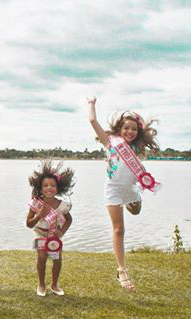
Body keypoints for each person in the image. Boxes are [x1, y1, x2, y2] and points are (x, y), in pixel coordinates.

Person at [87, 96, 159, 290]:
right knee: (119, 229)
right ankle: (121, 270)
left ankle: (132, 204)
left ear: (138, 132)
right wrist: (92, 104)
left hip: (132, 190)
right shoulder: (111, 144)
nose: (129, 131)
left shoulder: (136, 150)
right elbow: (93, 121)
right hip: (113, 191)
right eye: (126, 128)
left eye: (134, 129)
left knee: (136, 211)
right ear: (119, 130)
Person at [26, 160, 74, 296]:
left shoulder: (62, 205)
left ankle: (54, 284)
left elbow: (69, 219)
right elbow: (29, 224)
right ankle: (41, 284)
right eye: (45, 185)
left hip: (54, 234)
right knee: (41, 256)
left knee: (56, 258)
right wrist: (39, 215)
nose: (49, 188)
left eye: (53, 185)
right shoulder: (36, 203)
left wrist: (61, 232)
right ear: (40, 188)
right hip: (39, 232)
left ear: (58, 188)